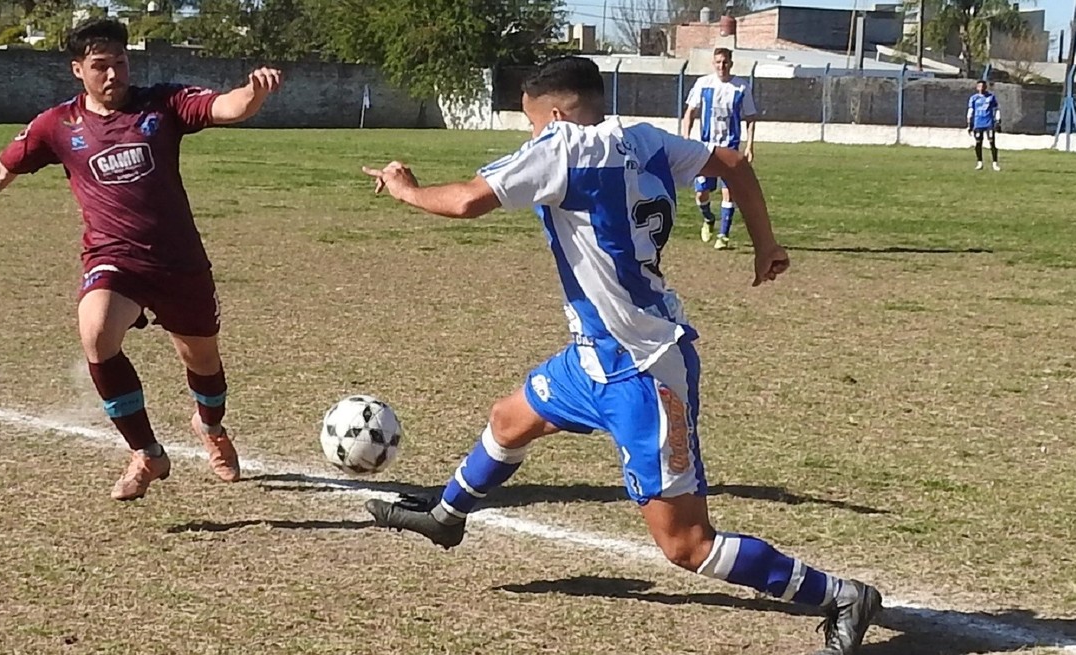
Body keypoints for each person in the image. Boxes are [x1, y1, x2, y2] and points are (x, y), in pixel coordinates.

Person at [361, 56, 882, 655]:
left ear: (556, 114)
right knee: (509, 419)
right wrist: (765, 242)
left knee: (687, 545)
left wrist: (405, 189)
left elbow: (467, 202)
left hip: (642, 368)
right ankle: (446, 517)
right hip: (596, 355)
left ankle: (840, 595)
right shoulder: (647, 141)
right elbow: (733, 163)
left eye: (534, 124)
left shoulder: (562, 148)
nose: (534, 135)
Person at [0, 18, 284, 501]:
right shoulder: (57, 126)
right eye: (100, 66)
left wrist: (253, 93)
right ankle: (146, 453)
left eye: (120, 63)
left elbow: (225, 107)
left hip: (178, 262)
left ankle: (210, 427)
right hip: (114, 259)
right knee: (96, 331)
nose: (113, 74)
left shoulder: (162, 104)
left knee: (202, 360)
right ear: (77, 69)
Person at [681, 47, 758, 250]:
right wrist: (685, 138)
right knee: (701, 194)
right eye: (718, 62)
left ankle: (723, 235)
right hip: (705, 149)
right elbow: (690, 112)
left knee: (729, 192)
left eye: (725, 62)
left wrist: (749, 146)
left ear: (731, 63)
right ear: (713, 64)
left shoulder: (741, 87)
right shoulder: (703, 84)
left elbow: (750, 118)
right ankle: (708, 218)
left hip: (730, 147)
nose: (721, 66)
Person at [968, 80, 1001, 171]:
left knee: (991, 142)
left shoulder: (991, 97)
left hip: (989, 123)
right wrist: (969, 123)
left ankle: (995, 163)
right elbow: (970, 110)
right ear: (977, 87)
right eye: (979, 86)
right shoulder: (974, 98)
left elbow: (996, 109)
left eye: (983, 86)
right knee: (978, 143)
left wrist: (998, 120)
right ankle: (979, 162)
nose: (981, 88)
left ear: (986, 87)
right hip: (978, 123)